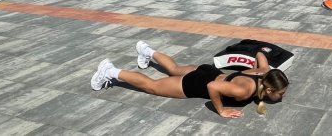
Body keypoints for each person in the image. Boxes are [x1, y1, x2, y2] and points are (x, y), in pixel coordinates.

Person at [90, 41, 288, 118]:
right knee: (152, 86)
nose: (281, 97)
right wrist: (221, 110)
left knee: (174, 68)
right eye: (280, 93)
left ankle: (146, 51)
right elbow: (212, 87)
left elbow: (261, 56)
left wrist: (265, 56)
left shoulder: (262, 72)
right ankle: (109, 72)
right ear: (269, 90)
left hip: (207, 70)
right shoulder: (244, 91)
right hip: (198, 84)